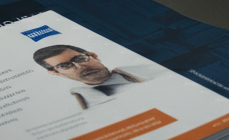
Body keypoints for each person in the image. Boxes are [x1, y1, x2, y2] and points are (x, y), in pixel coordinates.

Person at [33, 43, 166, 111]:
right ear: (55, 73)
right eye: (65, 66)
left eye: (80, 58)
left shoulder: (155, 70)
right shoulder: (75, 104)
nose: (80, 66)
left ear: (94, 56)